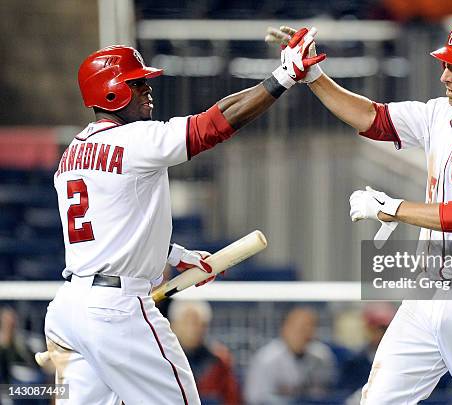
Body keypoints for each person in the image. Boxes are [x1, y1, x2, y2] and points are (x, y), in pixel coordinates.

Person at [44, 29, 325, 405]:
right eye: (137, 84)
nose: (147, 91)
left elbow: (112, 230)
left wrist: (175, 255)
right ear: (111, 91)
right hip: (118, 310)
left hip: (70, 308)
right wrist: (283, 78)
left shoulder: (70, 156)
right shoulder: (135, 140)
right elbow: (214, 124)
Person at [267, 20, 452, 404]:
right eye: (446, 64)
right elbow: (373, 118)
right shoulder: (440, 113)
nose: (445, 75)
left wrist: (393, 208)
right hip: (429, 293)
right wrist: (314, 77)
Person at [244, 306, 336, 404]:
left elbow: (328, 394)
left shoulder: (322, 356)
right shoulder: (266, 359)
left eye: (310, 328)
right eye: (300, 328)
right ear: (284, 329)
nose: (305, 334)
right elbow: (255, 399)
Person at [168, 300, 242, 404]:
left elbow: (231, 398)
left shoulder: (220, 360)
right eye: (186, 322)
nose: (192, 328)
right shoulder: (164, 359)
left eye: (197, 323)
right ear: (173, 325)